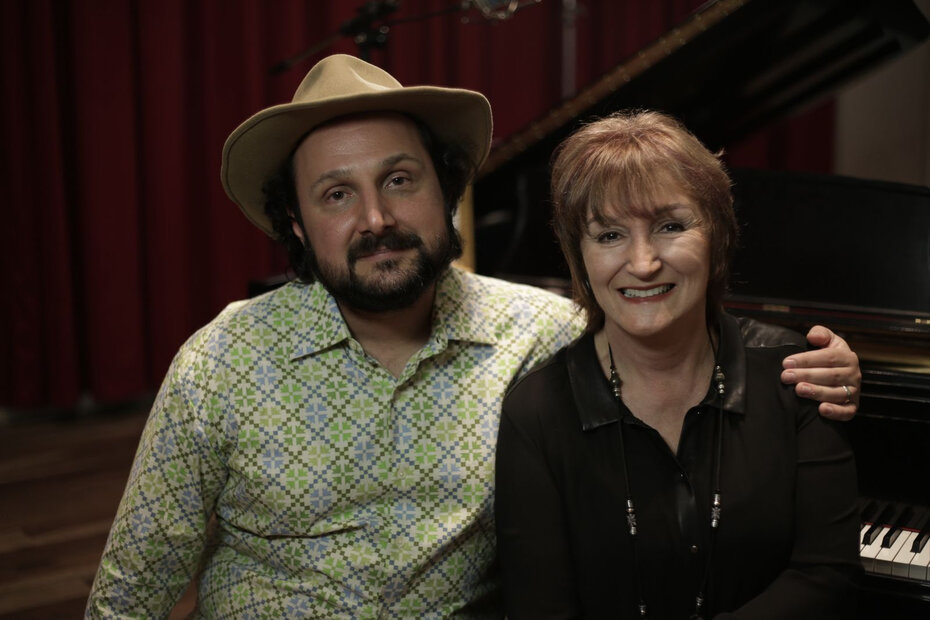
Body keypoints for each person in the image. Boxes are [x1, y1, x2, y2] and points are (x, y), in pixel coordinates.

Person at [86, 56, 861, 618]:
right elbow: (129, 595)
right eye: (334, 194)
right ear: (295, 222)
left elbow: (664, 325)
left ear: (448, 191)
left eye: (399, 179)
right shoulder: (220, 364)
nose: (376, 218)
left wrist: (821, 362)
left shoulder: (542, 331)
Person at [494, 110, 862, 619]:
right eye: (608, 235)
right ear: (578, 257)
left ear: (718, 235)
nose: (643, 263)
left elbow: (827, 574)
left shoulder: (794, 372)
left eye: (670, 226)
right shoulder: (534, 412)